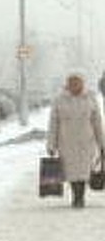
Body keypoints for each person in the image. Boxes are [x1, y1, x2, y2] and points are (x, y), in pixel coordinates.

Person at [47, 69, 104, 208]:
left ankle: (80, 197)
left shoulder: (90, 98)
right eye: (72, 82)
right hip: (66, 141)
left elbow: (97, 122)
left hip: (86, 141)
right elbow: (53, 123)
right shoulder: (59, 100)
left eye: (78, 82)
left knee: (84, 170)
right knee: (72, 171)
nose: (75, 85)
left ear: (82, 83)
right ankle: (76, 195)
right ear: (67, 84)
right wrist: (51, 144)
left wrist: (102, 143)